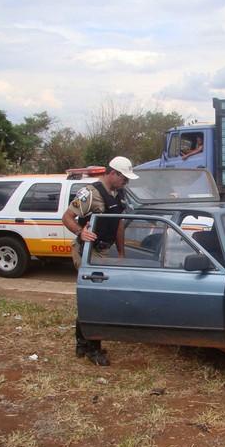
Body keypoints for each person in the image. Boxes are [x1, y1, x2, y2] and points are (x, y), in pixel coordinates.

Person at [62, 156, 139, 365]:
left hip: (103, 251)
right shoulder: (90, 193)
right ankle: (92, 349)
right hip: (87, 251)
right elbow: (67, 217)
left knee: (94, 297)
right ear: (113, 173)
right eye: (124, 178)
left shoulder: (119, 193)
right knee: (96, 297)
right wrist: (80, 232)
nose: (126, 182)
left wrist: (121, 254)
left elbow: (119, 225)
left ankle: (82, 343)